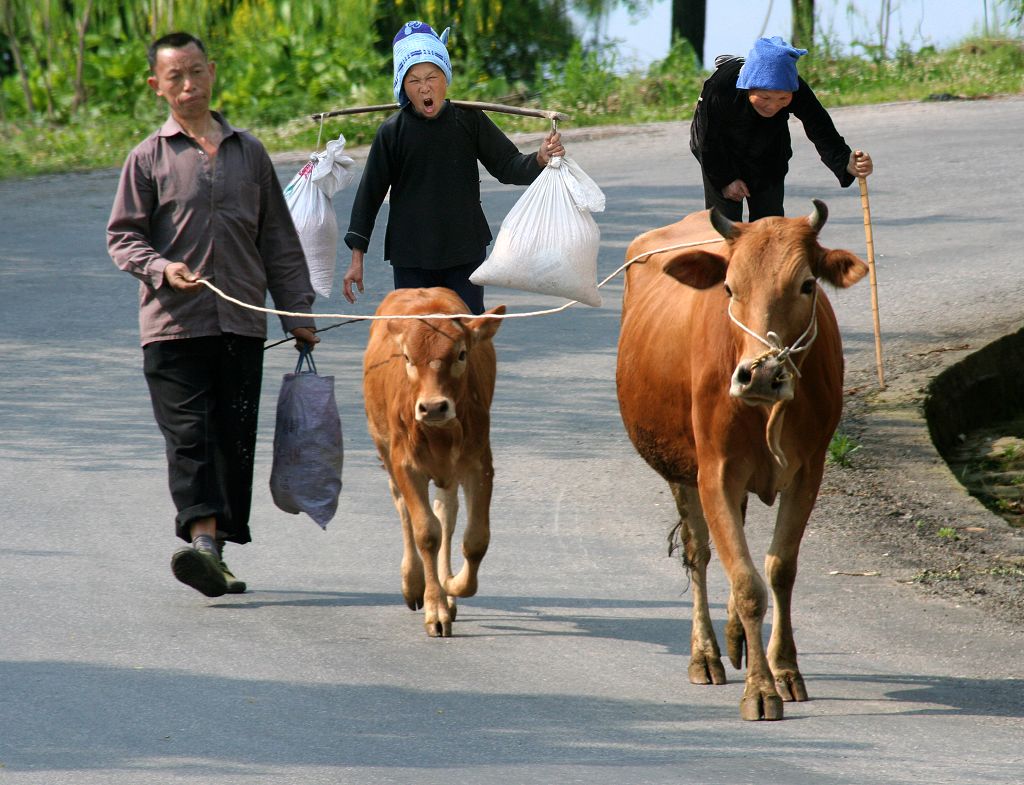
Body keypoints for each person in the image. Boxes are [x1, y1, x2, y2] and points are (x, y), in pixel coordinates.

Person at [107, 32, 319, 598]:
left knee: (232, 440)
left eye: (196, 72)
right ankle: (201, 542)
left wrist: (295, 312)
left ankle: (214, 553)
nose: (188, 85)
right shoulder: (147, 158)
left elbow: (278, 239)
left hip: (240, 324)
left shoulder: (249, 154)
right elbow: (123, 238)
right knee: (190, 437)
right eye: (174, 77)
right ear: (157, 86)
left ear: (213, 73)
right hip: (172, 327)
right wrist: (161, 268)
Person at [342, 20, 566, 314]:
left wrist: (539, 158)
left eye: (432, 76)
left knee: (467, 337)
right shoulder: (391, 132)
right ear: (402, 88)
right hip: (411, 257)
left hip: (464, 253)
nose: (425, 87)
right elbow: (368, 196)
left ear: (445, 78)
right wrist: (356, 257)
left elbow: (507, 165)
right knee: (417, 340)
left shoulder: (468, 120)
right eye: (414, 80)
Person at [690, 36, 874, 221]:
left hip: (768, 148)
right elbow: (708, 142)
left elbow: (819, 125)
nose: (772, 106)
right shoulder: (721, 88)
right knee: (726, 225)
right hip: (719, 150)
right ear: (748, 87)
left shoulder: (794, 86)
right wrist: (726, 180)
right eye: (765, 97)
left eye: (783, 99)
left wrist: (844, 160)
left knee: (770, 223)